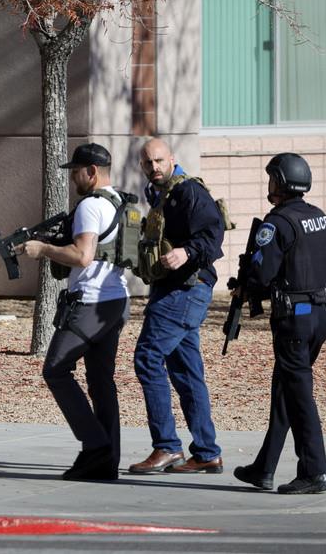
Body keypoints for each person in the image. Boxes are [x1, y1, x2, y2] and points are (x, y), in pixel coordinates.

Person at [17, 143, 130, 481]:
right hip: (116, 301)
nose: (73, 179)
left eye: (76, 172)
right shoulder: (120, 202)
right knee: (100, 380)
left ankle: (96, 446)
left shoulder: (91, 206)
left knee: (55, 369)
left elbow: (82, 256)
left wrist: (43, 249)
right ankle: (106, 460)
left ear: (91, 172)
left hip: (91, 303)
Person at [233, 153, 326, 495]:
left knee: (299, 396)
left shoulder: (277, 223)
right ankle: (264, 467)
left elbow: (262, 273)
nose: (269, 185)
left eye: (272, 178)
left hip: (294, 322)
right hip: (319, 315)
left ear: (282, 181)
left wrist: (248, 279)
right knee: (286, 392)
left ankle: (314, 471)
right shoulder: (319, 218)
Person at [129, 137, 224, 475]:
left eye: (158, 161)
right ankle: (207, 452)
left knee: (148, 356)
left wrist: (186, 251)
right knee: (185, 370)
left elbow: (213, 235)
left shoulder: (188, 192)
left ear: (171, 159)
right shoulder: (159, 194)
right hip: (172, 289)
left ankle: (167, 447)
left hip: (186, 289)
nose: (153, 168)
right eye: (147, 163)